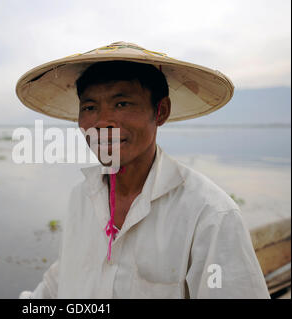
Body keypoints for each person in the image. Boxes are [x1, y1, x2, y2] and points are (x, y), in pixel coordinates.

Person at [15, 42, 270, 298]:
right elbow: (60, 283)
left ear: (161, 111)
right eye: (90, 107)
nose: (103, 122)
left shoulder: (210, 214)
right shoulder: (80, 198)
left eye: (122, 104)